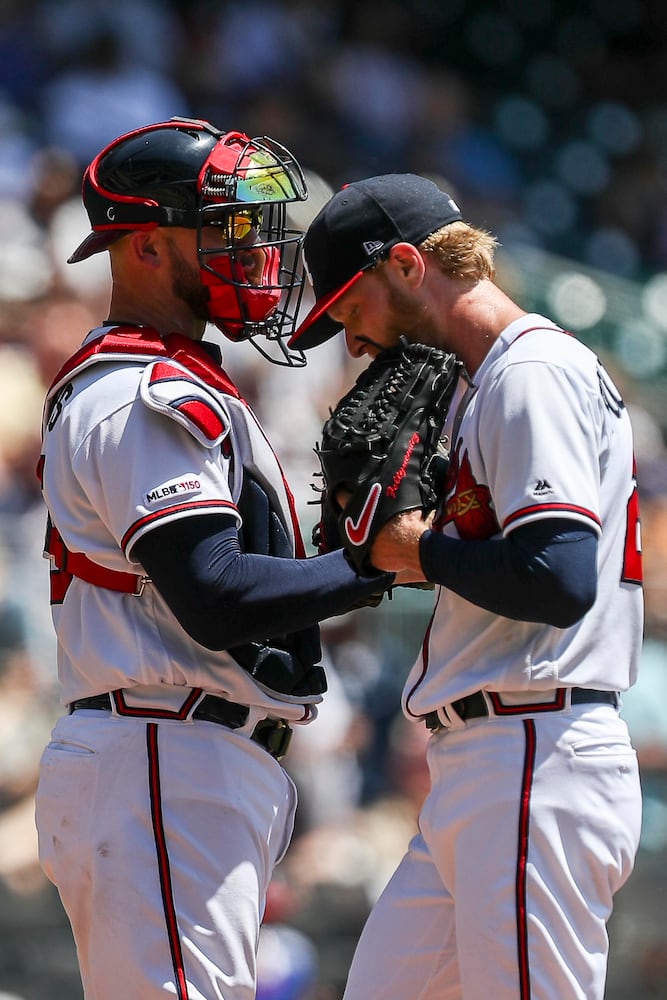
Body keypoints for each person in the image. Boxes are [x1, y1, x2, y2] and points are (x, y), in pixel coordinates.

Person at [34, 119, 395, 1000]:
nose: (259, 249)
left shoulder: (174, 376)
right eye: (227, 226)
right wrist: (388, 562)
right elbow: (217, 593)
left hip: (180, 754)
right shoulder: (140, 393)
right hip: (162, 751)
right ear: (149, 244)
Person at [288, 173, 644, 1000]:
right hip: (486, 760)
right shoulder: (485, 382)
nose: (350, 337)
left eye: (350, 305)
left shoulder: (531, 373)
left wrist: (420, 549)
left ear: (407, 265)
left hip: (532, 752)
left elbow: (555, 580)